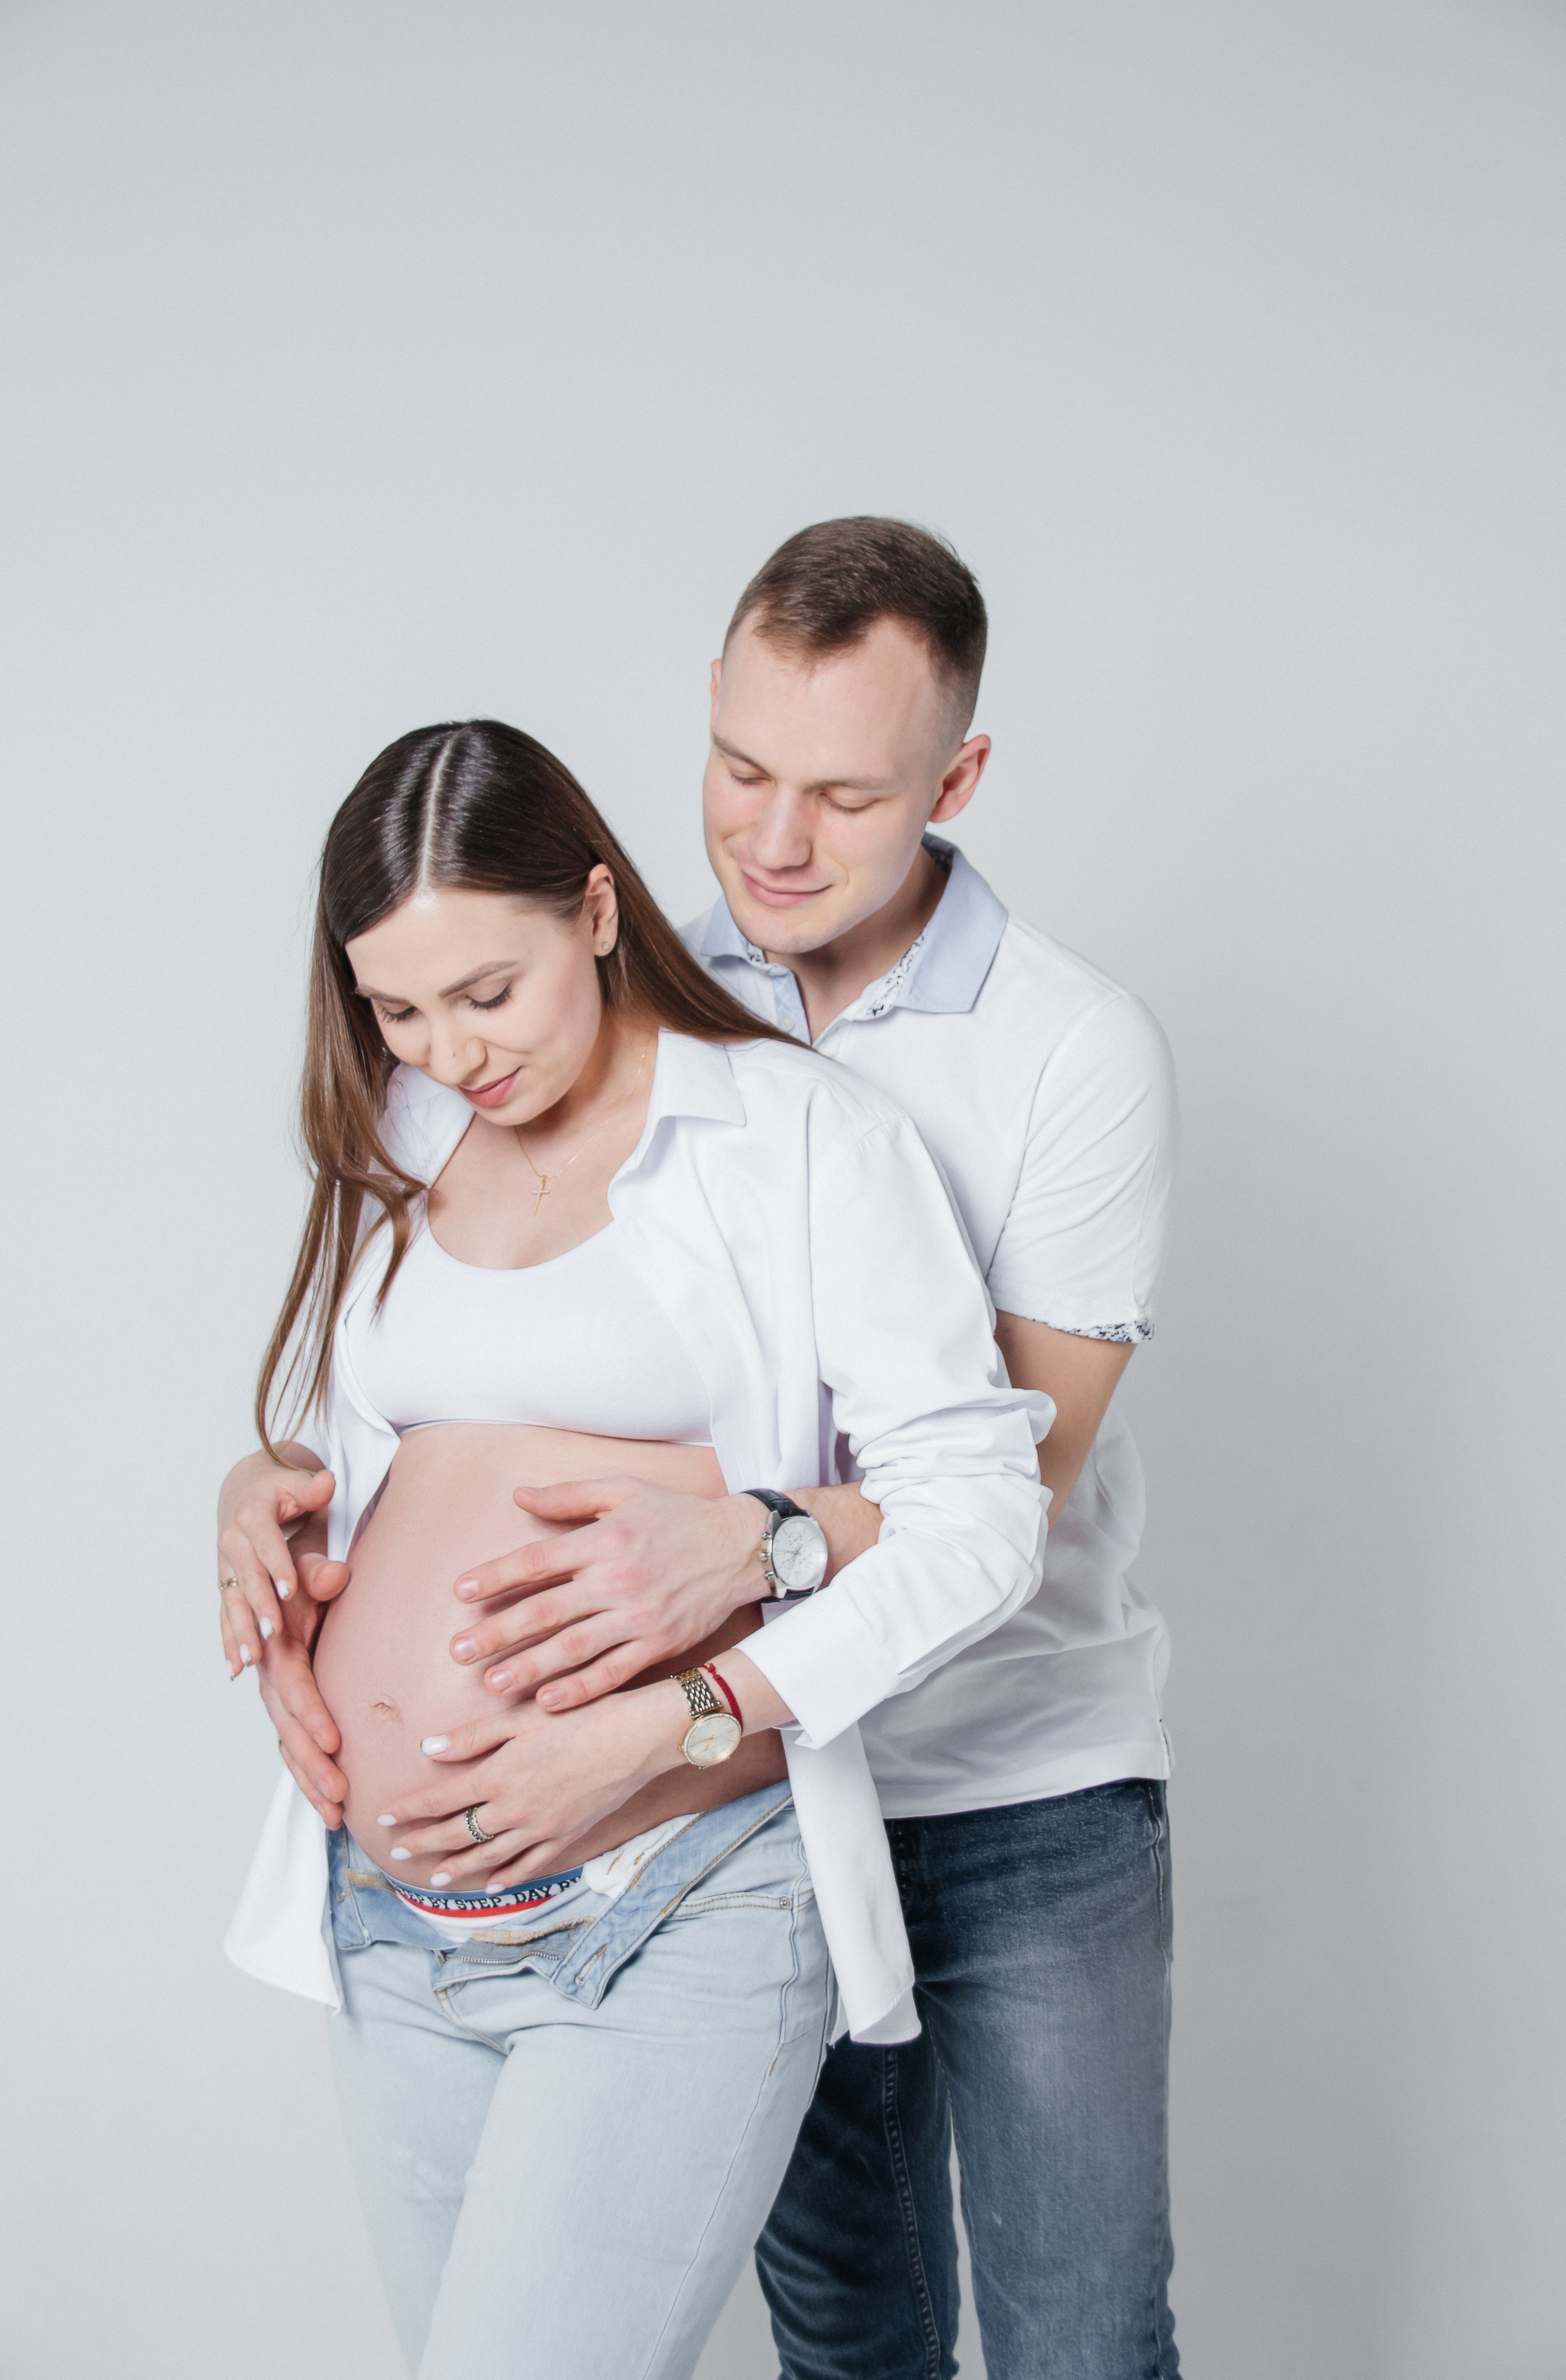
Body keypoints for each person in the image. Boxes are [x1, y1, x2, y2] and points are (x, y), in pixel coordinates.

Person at [234, 516, 1180, 2379]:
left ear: (954, 781)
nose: (773, 839)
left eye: (844, 793)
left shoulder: (1048, 1056)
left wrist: (742, 1566)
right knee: (850, 2333)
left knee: (1074, 2334)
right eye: (742, 769)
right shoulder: (577, 1002)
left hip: (990, 1781)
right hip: (683, 1810)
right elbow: (417, 1416)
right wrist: (277, 1510)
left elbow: (999, 1493)